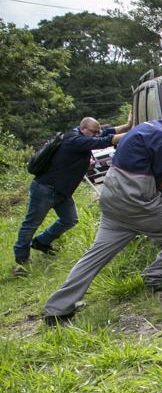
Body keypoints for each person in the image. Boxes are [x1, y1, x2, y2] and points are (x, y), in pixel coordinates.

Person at [41, 99, 162, 326]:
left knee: (95, 255)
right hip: (135, 202)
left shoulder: (148, 127)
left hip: (112, 200)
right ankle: (156, 277)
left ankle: (56, 309)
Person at [12, 117, 130, 277]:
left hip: (61, 191)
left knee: (70, 219)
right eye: (94, 132)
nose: (97, 135)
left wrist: (128, 125)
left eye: (97, 131)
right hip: (45, 189)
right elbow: (103, 141)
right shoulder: (74, 140)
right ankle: (22, 258)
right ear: (83, 129)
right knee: (31, 224)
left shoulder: (83, 134)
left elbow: (107, 132)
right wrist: (135, 133)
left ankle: (41, 242)